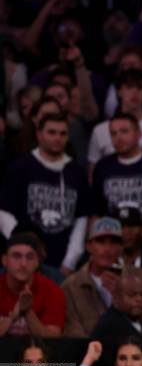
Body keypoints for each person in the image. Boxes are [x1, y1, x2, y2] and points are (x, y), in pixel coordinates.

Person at [0, 113, 90, 272]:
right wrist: (25, 250)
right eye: (52, 132)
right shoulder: (20, 166)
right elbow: (4, 213)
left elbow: (81, 220)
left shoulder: (76, 172)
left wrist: (70, 261)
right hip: (23, 261)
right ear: (39, 134)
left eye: (63, 133)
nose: (57, 138)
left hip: (63, 262)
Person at [61, 217, 142, 338]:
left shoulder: (140, 277)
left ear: (121, 247)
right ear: (89, 246)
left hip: (134, 350)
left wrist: (122, 295)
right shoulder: (70, 287)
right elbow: (73, 335)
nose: (107, 249)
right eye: (101, 241)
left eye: (114, 242)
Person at [91, 112, 142, 255]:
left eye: (124, 131)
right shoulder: (102, 167)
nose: (118, 137)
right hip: (113, 251)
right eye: (113, 133)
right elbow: (96, 213)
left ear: (139, 133)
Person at [88, 69, 142, 175]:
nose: (135, 92)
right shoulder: (100, 130)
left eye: (140, 87)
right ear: (119, 91)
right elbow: (92, 174)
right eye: (129, 87)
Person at [0, 233, 65, 337]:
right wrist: (13, 317)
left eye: (30, 257)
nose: (23, 264)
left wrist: (27, 311)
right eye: (16, 256)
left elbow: (53, 341)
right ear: (4, 260)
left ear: (37, 262)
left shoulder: (52, 291)